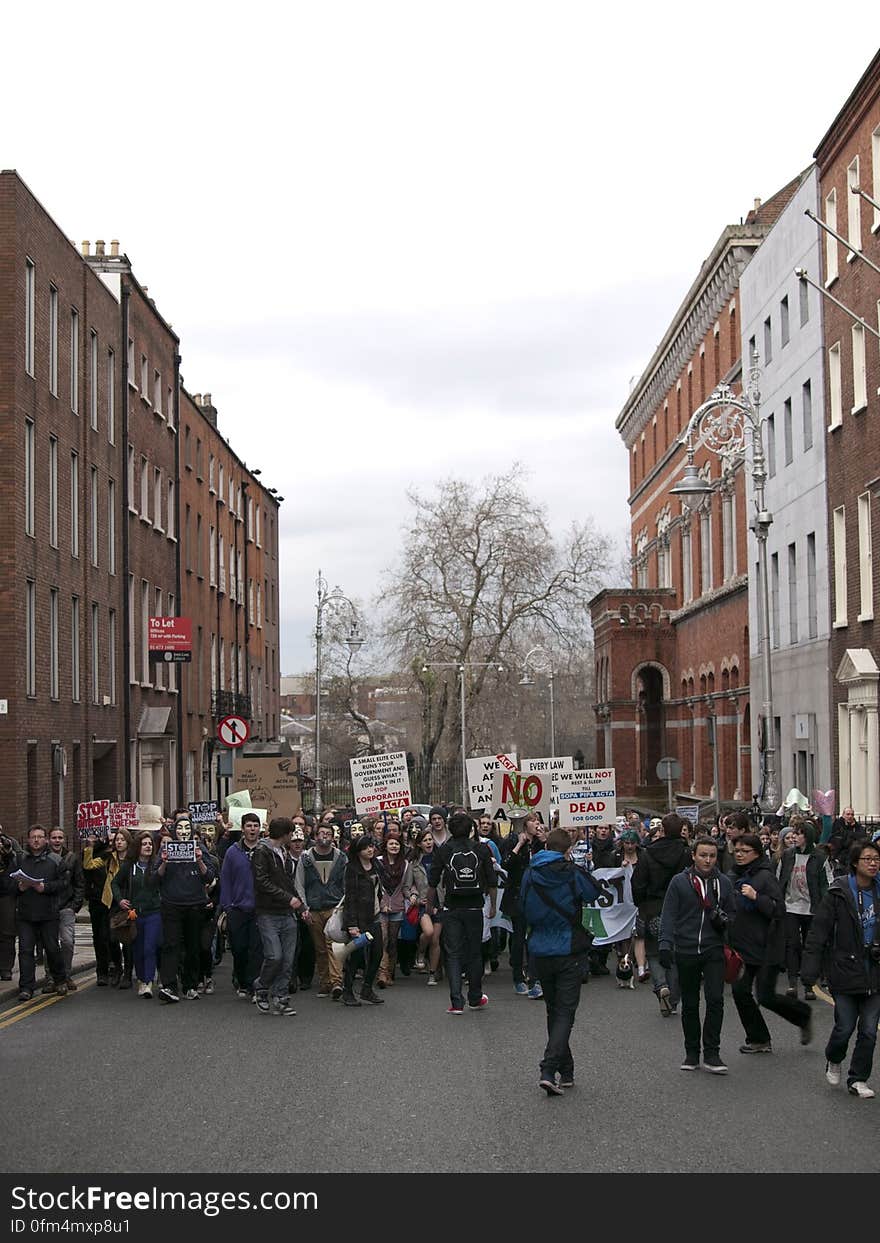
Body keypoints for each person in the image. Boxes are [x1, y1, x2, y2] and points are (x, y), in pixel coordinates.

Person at [521, 828, 603, 1094]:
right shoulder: (572, 872)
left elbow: (522, 906)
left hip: (540, 947)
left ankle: (565, 1070)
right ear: (568, 849)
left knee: (554, 1010)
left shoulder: (531, 872)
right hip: (567, 948)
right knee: (565, 1012)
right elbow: (594, 893)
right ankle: (548, 1067)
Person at [802, 840, 880, 1098]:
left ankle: (858, 1078)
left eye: (876, 859)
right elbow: (819, 932)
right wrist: (810, 970)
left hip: (875, 973)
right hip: (845, 970)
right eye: (867, 859)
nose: (873, 863)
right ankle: (834, 1058)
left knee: (869, 1031)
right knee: (845, 1027)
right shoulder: (838, 894)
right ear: (856, 862)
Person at [658, 836, 737, 1073]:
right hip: (686, 949)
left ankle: (712, 1053)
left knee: (715, 1000)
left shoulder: (723, 882)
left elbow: (733, 914)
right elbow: (669, 914)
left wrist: (725, 921)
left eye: (712, 856)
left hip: (713, 949)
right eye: (703, 855)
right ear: (693, 855)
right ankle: (692, 1052)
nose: (708, 860)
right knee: (690, 1003)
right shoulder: (679, 882)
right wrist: (665, 943)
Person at [729, 832, 812, 1053]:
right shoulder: (735, 875)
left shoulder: (765, 876)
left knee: (766, 997)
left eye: (744, 851)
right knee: (740, 991)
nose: (739, 855)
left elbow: (778, 910)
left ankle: (802, 1015)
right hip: (744, 947)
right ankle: (759, 1038)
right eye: (736, 851)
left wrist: (757, 897)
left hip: (767, 946)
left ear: (756, 853)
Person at [426, 811, 497, 1014]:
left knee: (454, 953)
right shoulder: (482, 849)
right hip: (476, 906)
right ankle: (475, 997)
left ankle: (456, 1002)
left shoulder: (444, 850)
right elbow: (491, 881)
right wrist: (492, 905)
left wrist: (430, 906)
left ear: (450, 829)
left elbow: (433, 881)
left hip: (452, 907)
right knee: (475, 953)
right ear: (471, 829)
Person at [631, 813, 691, 1016]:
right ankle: (673, 997)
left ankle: (661, 986)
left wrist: (642, 904)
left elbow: (637, 883)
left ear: (662, 830)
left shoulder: (648, 854)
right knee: (675, 953)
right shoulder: (687, 853)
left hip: (653, 907)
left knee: (655, 951)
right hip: (680, 908)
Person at [155, 820, 216, 1004]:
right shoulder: (166, 848)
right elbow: (154, 877)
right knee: (171, 945)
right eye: (180, 828)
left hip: (194, 904)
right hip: (171, 904)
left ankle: (190, 985)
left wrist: (199, 860)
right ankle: (169, 986)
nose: (183, 831)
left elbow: (210, 876)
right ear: (174, 831)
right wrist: (164, 862)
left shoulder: (199, 847)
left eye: (187, 828)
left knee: (192, 946)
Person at [4, 825, 67, 1001]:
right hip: (25, 914)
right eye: (33, 837)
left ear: (46, 840)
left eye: (40, 837)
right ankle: (26, 987)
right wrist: (19, 887)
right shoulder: (19, 860)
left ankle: (60, 979)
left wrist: (45, 887)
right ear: (28, 840)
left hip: (48, 913)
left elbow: (64, 884)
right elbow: (7, 886)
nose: (37, 840)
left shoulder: (55, 860)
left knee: (52, 949)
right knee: (25, 951)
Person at [252, 817, 300, 1016]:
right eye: (291, 834)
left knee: (288, 960)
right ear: (286, 834)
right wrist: (288, 898)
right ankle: (261, 987)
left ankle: (281, 997)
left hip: (287, 913)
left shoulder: (284, 853)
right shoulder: (261, 853)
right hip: (268, 912)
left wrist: (300, 904)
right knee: (274, 956)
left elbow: (288, 882)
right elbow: (262, 882)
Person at [294, 821, 347, 1000]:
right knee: (320, 948)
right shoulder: (305, 858)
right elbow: (299, 883)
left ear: (333, 837)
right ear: (315, 836)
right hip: (314, 908)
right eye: (321, 833)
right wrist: (304, 907)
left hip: (334, 907)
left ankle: (336, 982)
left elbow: (345, 883)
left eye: (328, 833)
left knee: (334, 945)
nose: (325, 836)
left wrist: (343, 906)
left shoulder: (341, 857)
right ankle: (325, 982)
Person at [778, 819, 827, 1001]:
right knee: (792, 944)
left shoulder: (820, 857)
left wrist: (823, 906)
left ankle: (808, 985)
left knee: (809, 946)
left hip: (811, 908)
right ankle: (792, 982)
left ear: (807, 836)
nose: (794, 837)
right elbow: (780, 878)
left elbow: (825, 884)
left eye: (798, 834)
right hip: (791, 906)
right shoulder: (788, 855)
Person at [112, 831, 162, 997]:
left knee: (149, 947)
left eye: (150, 844)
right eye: (144, 844)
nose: (148, 846)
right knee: (138, 950)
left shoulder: (157, 864)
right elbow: (115, 883)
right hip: (135, 915)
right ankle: (141, 979)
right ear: (138, 847)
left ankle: (148, 982)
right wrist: (120, 900)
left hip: (154, 912)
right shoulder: (129, 865)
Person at [502, 811, 546, 997]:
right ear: (524, 824)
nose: (536, 824)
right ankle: (517, 977)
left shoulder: (540, 843)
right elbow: (507, 864)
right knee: (519, 938)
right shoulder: (513, 841)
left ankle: (535, 977)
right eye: (532, 821)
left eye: (537, 820)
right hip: (517, 895)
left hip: (536, 896)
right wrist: (520, 844)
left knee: (535, 937)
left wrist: (545, 842)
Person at [84, 828, 134, 989]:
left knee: (127, 939)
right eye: (117, 840)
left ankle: (127, 972)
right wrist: (90, 846)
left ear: (128, 842)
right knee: (111, 937)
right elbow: (89, 865)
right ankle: (117, 968)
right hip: (111, 900)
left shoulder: (132, 859)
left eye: (122, 840)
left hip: (129, 900)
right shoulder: (108, 857)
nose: (119, 842)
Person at [220, 811, 263, 999]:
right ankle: (241, 980)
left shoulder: (265, 850)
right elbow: (226, 879)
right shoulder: (232, 852)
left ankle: (253, 985)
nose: (252, 829)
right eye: (249, 825)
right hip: (237, 908)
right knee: (239, 948)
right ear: (243, 829)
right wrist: (227, 906)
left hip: (260, 909)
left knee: (256, 949)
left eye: (255, 825)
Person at [340, 833, 385, 1007]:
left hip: (374, 916)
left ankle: (367, 988)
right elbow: (349, 898)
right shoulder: (352, 869)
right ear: (358, 851)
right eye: (366, 847)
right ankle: (348, 990)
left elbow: (381, 887)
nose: (370, 850)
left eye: (371, 846)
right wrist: (351, 924)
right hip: (358, 918)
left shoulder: (376, 865)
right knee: (357, 956)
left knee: (377, 953)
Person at [375, 831, 418, 988]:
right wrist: (381, 903)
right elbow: (375, 886)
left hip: (398, 906)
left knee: (393, 942)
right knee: (383, 940)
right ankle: (382, 973)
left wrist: (413, 895)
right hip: (381, 907)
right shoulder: (377, 862)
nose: (394, 846)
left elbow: (407, 886)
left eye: (397, 844)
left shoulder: (406, 865)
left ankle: (390, 972)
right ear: (385, 846)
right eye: (391, 843)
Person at [46, 828, 84, 993]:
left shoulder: (72, 858)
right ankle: (50, 978)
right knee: (49, 944)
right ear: (49, 840)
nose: (57, 840)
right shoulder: (44, 858)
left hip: (66, 906)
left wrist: (75, 905)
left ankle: (66, 974)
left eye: (60, 837)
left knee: (67, 942)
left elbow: (79, 882)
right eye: (54, 837)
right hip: (47, 908)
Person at [0, 828, 19, 980]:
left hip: (6, 893)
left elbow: (21, 859)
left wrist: (9, 853)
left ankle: (6, 968)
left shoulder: (10, 842)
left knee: (7, 932)